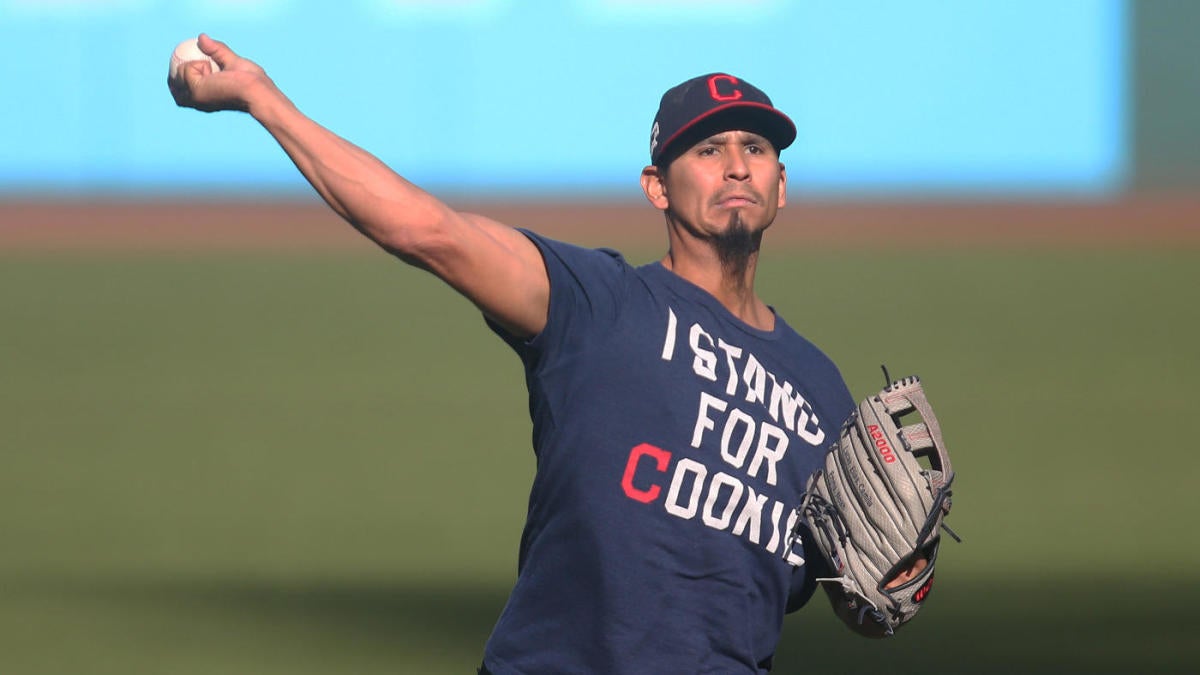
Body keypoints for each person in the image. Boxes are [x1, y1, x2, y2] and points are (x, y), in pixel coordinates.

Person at [171, 34, 913, 674]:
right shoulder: (596, 303)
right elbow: (426, 229)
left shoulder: (820, 391)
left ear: (782, 185)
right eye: (708, 148)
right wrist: (264, 101)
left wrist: (898, 577)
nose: (737, 165)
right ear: (657, 186)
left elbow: (833, 584)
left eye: (757, 148)